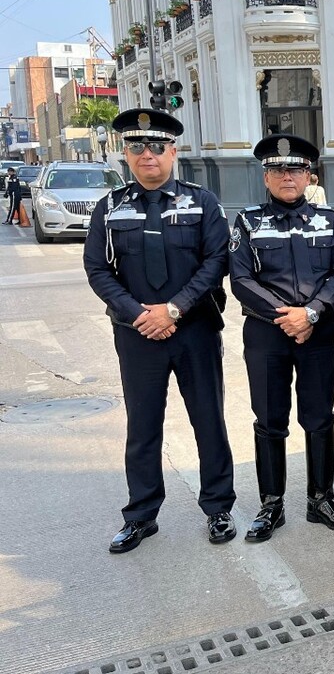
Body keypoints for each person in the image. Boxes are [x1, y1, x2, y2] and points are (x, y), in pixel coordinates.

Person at [82, 108, 236, 553]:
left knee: (208, 419)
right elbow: (97, 268)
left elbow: (216, 263)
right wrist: (138, 315)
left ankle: (219, 508)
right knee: (143, 425)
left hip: (195, 330)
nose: (147, 155)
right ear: (125, 154)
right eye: (136, 147)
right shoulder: (110, 207)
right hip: (137, 336)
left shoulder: (202, 202)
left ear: (173, 150)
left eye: (156, 147)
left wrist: (173, 309)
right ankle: (141, 515)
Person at [229, 133, 334, 542]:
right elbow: (241, 279)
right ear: (265, 176)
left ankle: (321, 499)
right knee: (269, 420)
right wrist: (286, 317)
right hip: (267, 335)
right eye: (278, 169)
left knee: (319, 418)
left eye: (296, 169)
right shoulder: (248, 221)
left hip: (317, 333)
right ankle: (272, 504)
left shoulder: (329, 220)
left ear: (309, 176)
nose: (288, 176)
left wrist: (312, 313)